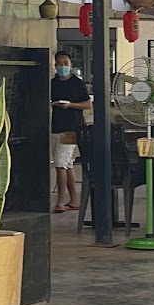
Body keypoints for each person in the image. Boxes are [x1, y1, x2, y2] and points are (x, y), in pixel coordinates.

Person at [50, 51, 92, 214]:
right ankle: (74, 200)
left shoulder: (77, 83)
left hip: (72, 128)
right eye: (60, 63)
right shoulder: (53, 83)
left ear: (71, 65)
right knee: (67, 165)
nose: (63, 66)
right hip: (56, 127)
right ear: (55, 65)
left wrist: (71, 105)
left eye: (66, 63)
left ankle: (60, 201)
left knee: (60, 165)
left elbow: (87, 104)